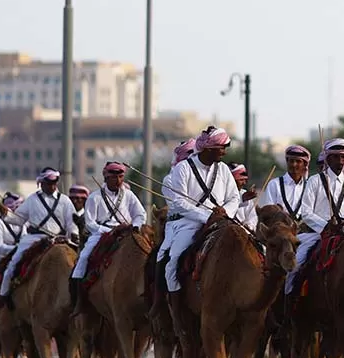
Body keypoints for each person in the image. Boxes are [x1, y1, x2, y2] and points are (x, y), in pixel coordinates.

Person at [156, 127, 241, 312]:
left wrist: (225, 212)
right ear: (209, 149)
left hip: (222, 221)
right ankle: (177, 310)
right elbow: (178, 202)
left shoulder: (224, 169)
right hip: (190, 222)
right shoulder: (183, 168)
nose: (224, 152)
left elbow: (234, 197)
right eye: (222, 148)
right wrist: (207, 215)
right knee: (173, 260)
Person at [283, 138, 344, 299]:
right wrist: (325, 226)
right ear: (328, 158)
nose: (340, 161)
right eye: (336, 157)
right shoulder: (314, 181)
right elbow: (306, 212)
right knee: (295, 266)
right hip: (316, 234)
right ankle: (289, 304)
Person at [69, 161, 146, 313]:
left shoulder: (129, 195)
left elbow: (140, 214)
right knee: (83, 257)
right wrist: (109, 230)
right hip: (100, 233)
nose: (118, 180)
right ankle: (79, 300)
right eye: (114, 177)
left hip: (127, 231)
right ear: (106, 177)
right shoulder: (95, 197)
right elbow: (90, 223)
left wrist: (135, 226)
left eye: (121, 177)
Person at [0, 168, 78, 310]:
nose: (52, 186)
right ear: (41, 183)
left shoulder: (65, 201)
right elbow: (18, 219)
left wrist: (73, 234)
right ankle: (5, 295)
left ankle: (80, 294)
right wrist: (6, 214)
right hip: (35, 238)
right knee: (13, 264)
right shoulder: (32, 199)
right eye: (48, 183)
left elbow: (71, 223)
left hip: (59, 238)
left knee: (79, 260)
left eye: (54, 183)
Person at [259, 145, 311, 218]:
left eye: (298, 161)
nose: (294, 164)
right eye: (291, 161)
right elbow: (269, 210)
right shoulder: (274, 184)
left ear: (305, 164)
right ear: (287, 162)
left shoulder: (310, 185)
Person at [229, 163, 261, 230]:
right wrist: (242, 199)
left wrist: (249, 226)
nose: (244, 183)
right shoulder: (221, 193)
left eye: (245, 180)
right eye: (241, 180)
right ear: (232, 180)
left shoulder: (244, 193)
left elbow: (253, 217)